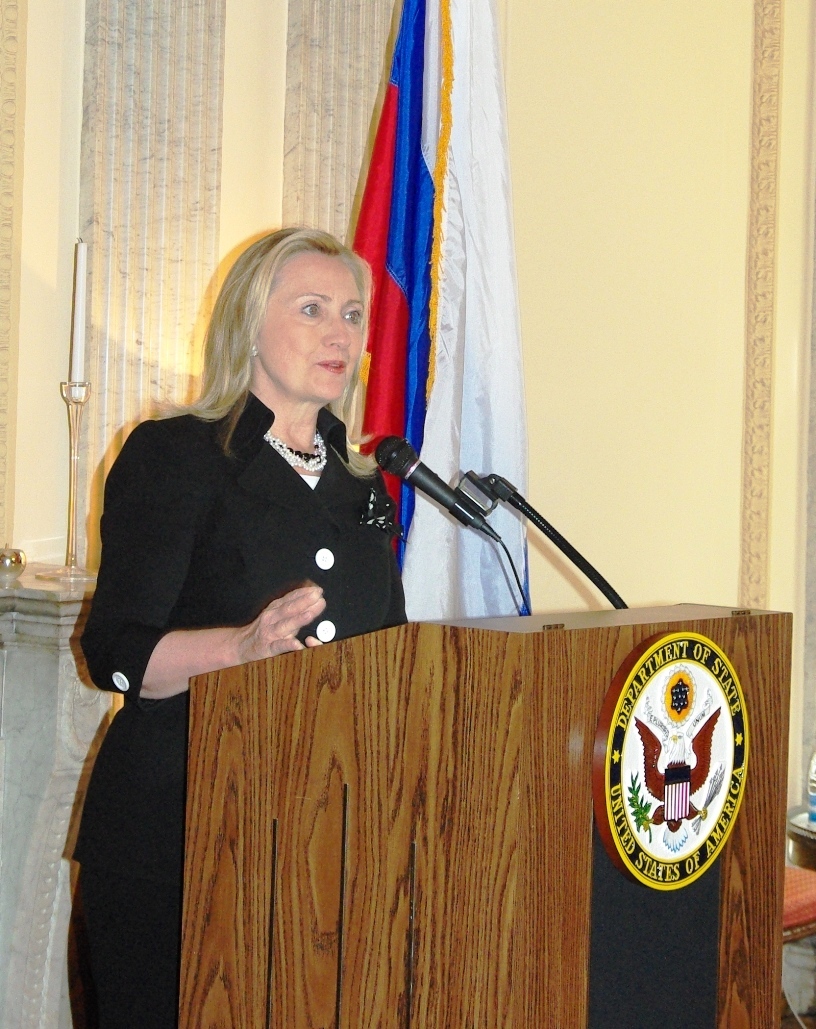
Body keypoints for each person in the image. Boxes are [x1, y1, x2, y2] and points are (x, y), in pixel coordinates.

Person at [74, 227, 406, 1028]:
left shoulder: (365, 485)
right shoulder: (175, 455)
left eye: (354, 314)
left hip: (323, 848)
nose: (341, 333)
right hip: (180, 840)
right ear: (250, 323)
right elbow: (113, 651)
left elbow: (385, 655)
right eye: (313, 309)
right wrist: (241, 647)